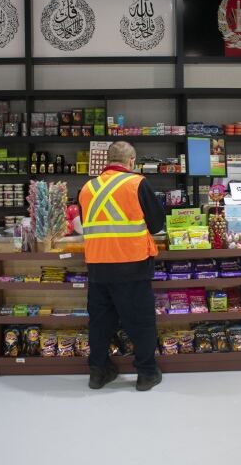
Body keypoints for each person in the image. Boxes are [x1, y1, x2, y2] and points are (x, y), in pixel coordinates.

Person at [78, 141, 166, 391]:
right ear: (131, 161)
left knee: (100, 322)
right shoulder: (137, 183)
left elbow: (88, 223)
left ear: (107, 161)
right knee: (140, 320)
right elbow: (157, 224)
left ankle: (98, 372)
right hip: (132, 264)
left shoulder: (87, 188)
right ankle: (147, 373)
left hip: (97, 266)